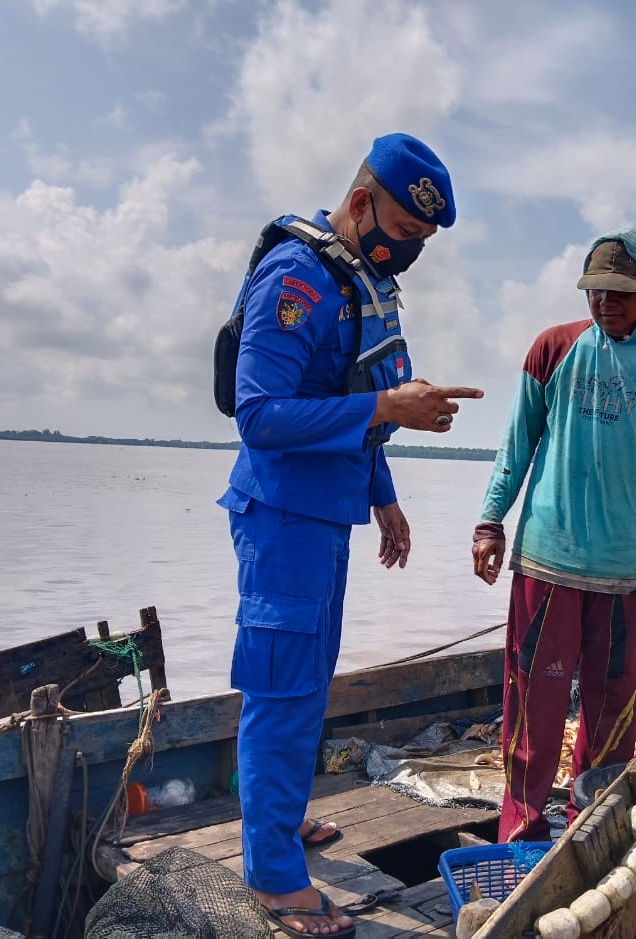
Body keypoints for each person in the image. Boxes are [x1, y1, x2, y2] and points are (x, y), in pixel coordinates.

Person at [218, 133, 483, 936]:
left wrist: (384, 494)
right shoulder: (296, 279)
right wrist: (388, 411)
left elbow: (355, 391)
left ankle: (283, 819)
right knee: (283, 687)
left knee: (309, 679)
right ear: (363, 202)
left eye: (422, 245)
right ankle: (271, 873)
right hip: (281, 518)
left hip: (326, 515)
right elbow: (259, 413)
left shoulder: (362, 283)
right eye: (404, 231)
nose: (408, 251)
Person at [471, 224, 636, 843]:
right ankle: (520, 827)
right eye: (596, 290)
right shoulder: (553, 349)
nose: (606, 302)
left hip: (628, 575)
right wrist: (490, 520)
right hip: (547, 566)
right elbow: (516, 444)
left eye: (622, 292)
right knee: (535, 706)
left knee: (612, 717)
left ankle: (590, 827)